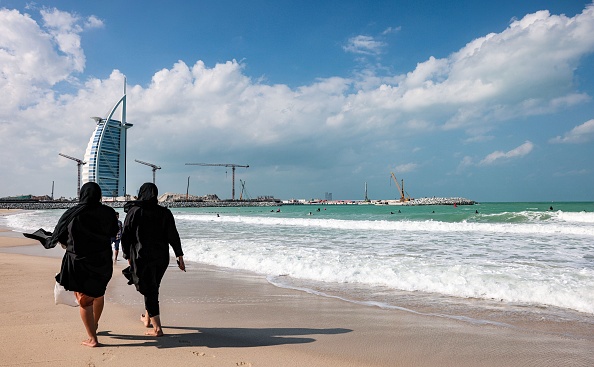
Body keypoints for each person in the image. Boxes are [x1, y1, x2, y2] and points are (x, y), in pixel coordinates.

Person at [54, 182, 119, 347]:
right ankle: (94, 324)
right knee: (98, 293)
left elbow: (61, 235)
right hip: (103, 260)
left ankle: (92, 338)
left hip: (79, 262)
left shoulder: (73, 213)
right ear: (99, 195)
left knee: (84, 300)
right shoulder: (109, 212)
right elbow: (113, 232)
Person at [121, 182, 185, 337]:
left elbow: (125, 235)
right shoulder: (165, 213)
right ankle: (148, 319)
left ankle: (158, 329)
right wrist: (179, 256)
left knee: (150, 289)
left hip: (141, 256)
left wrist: (127, 255)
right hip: (161, 258)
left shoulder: (135, 211)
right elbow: (173, 236)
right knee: (152, 287)